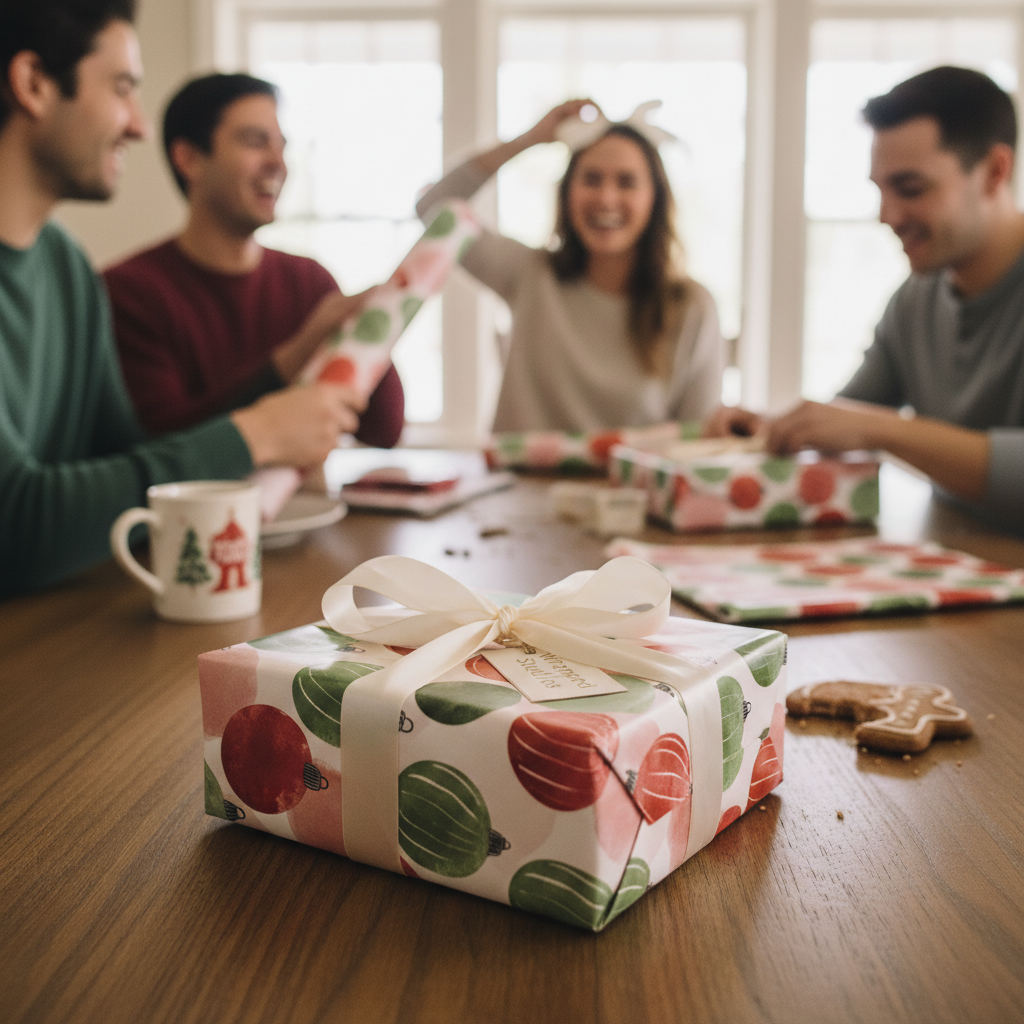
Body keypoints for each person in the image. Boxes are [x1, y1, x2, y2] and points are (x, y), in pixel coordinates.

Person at [0, 0, 363, 599]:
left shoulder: (66, 267)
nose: (140, 125)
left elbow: (133, 462)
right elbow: (15, 523)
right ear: (34, 84)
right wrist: (255, 434)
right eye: (122, 87)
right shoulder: (117, 283)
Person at [708, 66, 1024, 529]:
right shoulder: (915, 301)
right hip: (963, 561)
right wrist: (769, 426)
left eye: (911, 189)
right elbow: (850, 415)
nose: (887, 215)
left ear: (995, 171)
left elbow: (869, 422)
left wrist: (882, 429)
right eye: (880, 190)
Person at [104, 72, 403, 445]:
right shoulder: (127, 293)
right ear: (190, 159)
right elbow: (163, 445)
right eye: (255, 141)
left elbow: (384, 431)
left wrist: (373, 332)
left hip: (307, 504)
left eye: (282, 145)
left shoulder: (310, 281)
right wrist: (293, 358)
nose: (279, 163)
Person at [416, 100, 725, 432]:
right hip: (517, 482)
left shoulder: (692, 307)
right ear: (566, 194)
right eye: (591, 179)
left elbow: (698, 442)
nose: (606, 198)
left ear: (656, 199)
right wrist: (529, 139)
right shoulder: (528, 273)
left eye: (626, 182)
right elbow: (433, 207)